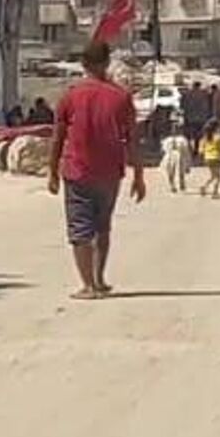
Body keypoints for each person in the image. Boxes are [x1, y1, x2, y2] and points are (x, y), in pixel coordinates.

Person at [48, 39, 145, 301]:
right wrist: (138, 176)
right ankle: (99, 280)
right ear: (107, 63)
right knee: (102, 227)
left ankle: (88, 286)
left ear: (83, 64)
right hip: (110, 173)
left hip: (77, 171)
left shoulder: (70, 96)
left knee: (80, 229)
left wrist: (52, 171)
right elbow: (132, 140)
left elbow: (57, 138)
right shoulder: (121, 97)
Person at [161, 121, 193, 195]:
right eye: (173, 129)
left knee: (180, 170)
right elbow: (164, 149)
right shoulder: (167, 139)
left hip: (179, 155)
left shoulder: (182, 139)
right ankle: (172, 185)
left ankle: (181, 184)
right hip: (170, 155)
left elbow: (186, 150)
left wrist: (188, 162)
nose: (174, 130)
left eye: (176, 128)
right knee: (170, 171)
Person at [199, 122, 220, 199]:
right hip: (217, 157)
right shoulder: (219, 137)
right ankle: (214, 192)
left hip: (207, 157)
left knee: (213, 175)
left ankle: (204, 186)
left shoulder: (205, 138)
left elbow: (201, 149)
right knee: (217, 176)